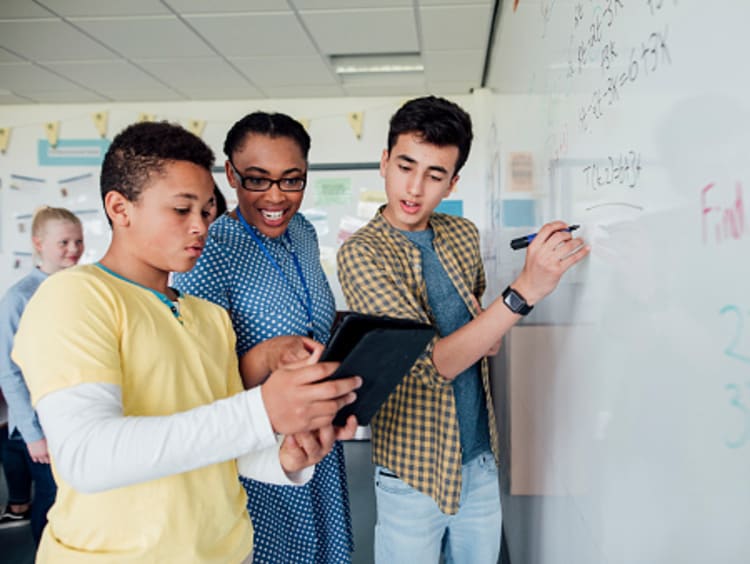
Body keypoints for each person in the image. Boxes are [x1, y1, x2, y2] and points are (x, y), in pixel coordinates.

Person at [11, 121, 360, 563]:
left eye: (208, 211)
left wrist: (287, 455)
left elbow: (224, 447)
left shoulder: (209, 317)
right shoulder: (75, 297)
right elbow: (87, 456)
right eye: (181, 210)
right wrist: (262, 410)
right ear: (120, 208)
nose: (200, 226)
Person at [336, 96, 590, 563]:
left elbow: (481, 335)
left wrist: (483, 331)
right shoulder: (362, 253)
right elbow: (431, 365)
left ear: (452, 182)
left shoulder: (463, 234)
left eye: (434, 176)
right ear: (384, 162)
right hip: (413, 469)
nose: (414, 188)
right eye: (405, 167)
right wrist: (522, 293)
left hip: (479, 458)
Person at [174, 111, 354, 563]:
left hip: (318, 443)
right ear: (231, 175)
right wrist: (266, 354)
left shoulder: (305, 234)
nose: (276, 197)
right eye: (258, 180)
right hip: (257, 451)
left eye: (292, 181)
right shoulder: (211, 249)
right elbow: (197, 383)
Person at [0, 206, 84, 545]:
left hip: (75, 416)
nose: (74, 249)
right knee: (50, 505)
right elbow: (9, 371)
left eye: (78, 241)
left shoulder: (82, 287)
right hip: (40, 426)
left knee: (74, 503)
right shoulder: (19, 298)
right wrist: (33, 434)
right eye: (63, 242)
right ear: (39, 244)